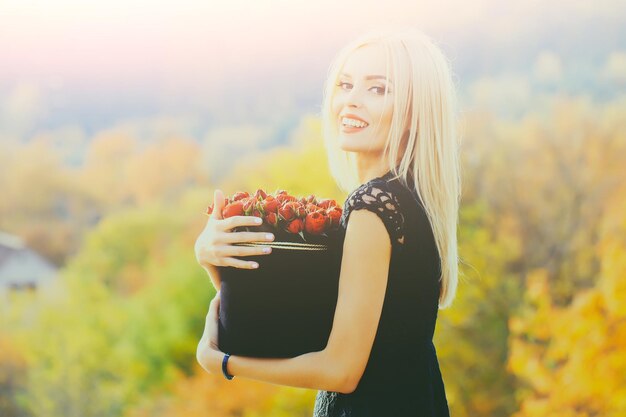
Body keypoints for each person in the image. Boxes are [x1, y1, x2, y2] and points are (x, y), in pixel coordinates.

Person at [194, 26, 460, 417]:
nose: (350, 102)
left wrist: (221, 363)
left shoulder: (373, 207)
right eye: (345, 85)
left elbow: (340, 371)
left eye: (378, 89)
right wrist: (211, 259)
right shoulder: (409, 200)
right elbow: (307, 325)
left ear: (414, 113)